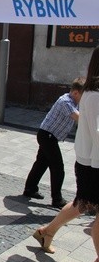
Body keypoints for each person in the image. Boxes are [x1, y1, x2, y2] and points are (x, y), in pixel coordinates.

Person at [32, 47, 99, 262]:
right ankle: (51, 203)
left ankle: (46, 230)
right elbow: (88, 125)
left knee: (81, 203)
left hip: (79, 153)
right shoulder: (82, 98)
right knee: (56, 168)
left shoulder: (88, 95)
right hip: (55, 139)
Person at [22, 77, 84, 209]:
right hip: (47, 136)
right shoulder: (66, 101)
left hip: (48, 136)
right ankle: (57, 199)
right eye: (83, 96)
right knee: (58, 168)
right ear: (76, 93)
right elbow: (78, 117)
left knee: (41, 163)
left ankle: (30, 189)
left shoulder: (74, 101)